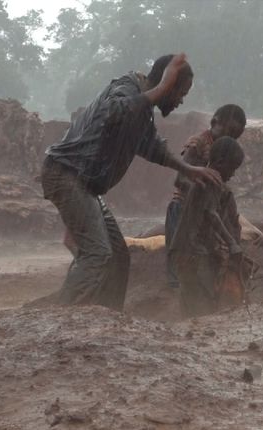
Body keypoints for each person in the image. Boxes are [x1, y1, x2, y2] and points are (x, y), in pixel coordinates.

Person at [41, 53, 221, 311]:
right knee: (98, 253)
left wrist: (187, 168)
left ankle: (107, 320)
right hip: (66, 174)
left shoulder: (142, 111)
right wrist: (160, 90)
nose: (181, 100)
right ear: (166, 83)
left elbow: (150, 146)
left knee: (118, 257)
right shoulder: (125, 88)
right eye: (180, 91)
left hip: (85, 184)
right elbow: (113, 112)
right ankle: (61, 320)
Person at [165, 104, 246, 289]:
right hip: (184, 207)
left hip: (203, 211)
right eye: (229, 131)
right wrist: (202, 185)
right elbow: (180, 179)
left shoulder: (224, 148)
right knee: (182, 261)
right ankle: (178, 302)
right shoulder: (198, 144)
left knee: (203, 257)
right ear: (214, 122)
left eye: (236, 136)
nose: (231, 138)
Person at [170, 136, 247, 317]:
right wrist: (232, 244)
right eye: (233, 168)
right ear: (221, 163)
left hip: (192, 250)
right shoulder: (210, 181)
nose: (233, 174)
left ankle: (189, 334)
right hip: (190, 250)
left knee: (195, 296)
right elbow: (211, 213)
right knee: (199, 299)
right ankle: (194, 334)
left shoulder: (212, 182)